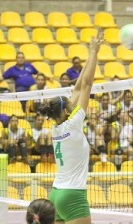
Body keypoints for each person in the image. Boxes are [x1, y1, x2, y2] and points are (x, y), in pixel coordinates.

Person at [38, 32, 103, 224]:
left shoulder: (56, 126)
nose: (72, 103)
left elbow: (76, 88)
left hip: (56, 194)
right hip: (74, 195)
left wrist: (89, 57)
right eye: (69, 104)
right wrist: (94, 52)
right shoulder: (73, 124)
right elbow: (87, 85)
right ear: (67, 111)